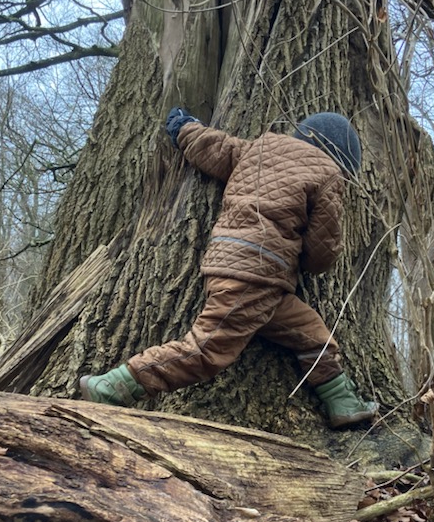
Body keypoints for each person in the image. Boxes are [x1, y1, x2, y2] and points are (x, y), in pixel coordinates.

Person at [79, 109, 378, 428]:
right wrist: (311, 261)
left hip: (241, 270)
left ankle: (343, 403)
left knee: (311, 333)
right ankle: (115, 385)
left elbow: (214, 148)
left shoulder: (261, 148)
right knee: (207, 350)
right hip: (256, 273)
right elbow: (321, 253)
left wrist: (184, 128)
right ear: (341, 159)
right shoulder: (327, 174)